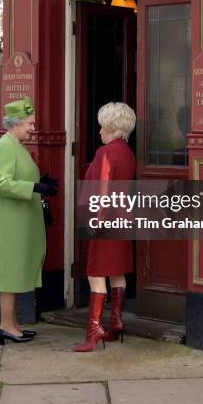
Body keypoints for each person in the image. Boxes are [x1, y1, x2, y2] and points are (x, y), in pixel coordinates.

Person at [0, 96, 58, 345]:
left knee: (15, 274)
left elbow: (18, 176)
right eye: (30, 124)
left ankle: (13, 324)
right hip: (9, 225)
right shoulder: (6, 146)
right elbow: (2, 184)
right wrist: (36, 187)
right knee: (9, 275)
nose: (33, 128)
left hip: (18, 222)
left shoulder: (16, 145)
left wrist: (41, 183)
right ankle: (6, 325)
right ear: (15, 124)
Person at [74, 102, 136, 352]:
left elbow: (102, 189)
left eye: (101, 126)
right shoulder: (127, 152)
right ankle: (116, 320)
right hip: (123, 219)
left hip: (105, 220)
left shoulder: (105, 153)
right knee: (117, 271)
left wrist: (94, 220)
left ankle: (94, 331)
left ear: (110, 126)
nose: (99, 131)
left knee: (95, 274)